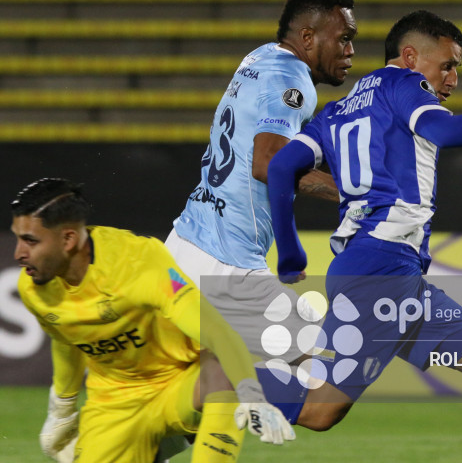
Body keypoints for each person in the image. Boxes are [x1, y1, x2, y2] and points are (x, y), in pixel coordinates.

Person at [263, 10, 462, 463]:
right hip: (381, 271)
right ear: (410, 57)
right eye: (446, 65)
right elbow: (443, 131)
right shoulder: (403, 85)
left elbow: (280, 168)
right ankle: (217, 382)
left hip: (385, 271)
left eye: (456, 68)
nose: (452, 78)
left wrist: (290, 252)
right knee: (318, 412)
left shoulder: (335, 112)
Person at [12, 178, 295, 463]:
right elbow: (67, 338)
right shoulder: (33, 288)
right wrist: (61, 408)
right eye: (18, 238)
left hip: (180, 381)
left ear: (68, 239)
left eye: (30, 241)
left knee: (220, 364)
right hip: (114, 402)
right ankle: (155, 450)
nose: (19, 253)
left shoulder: (138, 262)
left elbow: (216, 331)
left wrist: (251, 392)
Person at [165, 0, 356, 366]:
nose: (350, 51)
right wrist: (355, 194)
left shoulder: (260, 58)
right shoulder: (294, 81)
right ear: (307, 37)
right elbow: (268, 164)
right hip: (227, 264)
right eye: (344, 39)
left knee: (194, 389)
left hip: (182, 245)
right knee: (325, 371)